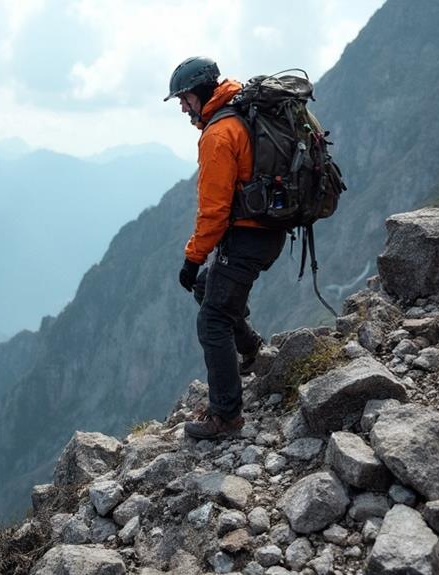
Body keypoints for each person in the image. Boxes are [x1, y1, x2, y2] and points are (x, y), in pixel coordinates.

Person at [164, 56, 287, 440]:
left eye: (184, 98)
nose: (182, 106)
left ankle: (225, 417)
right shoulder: (238, 113)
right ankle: (252, 351)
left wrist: (192, 258)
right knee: (209, 290)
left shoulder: (219, 134)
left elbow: (214, 211)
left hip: (248, 236)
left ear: (201, 91)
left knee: (212, 320)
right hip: (268, 230)